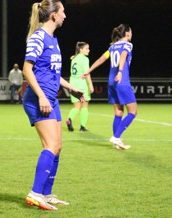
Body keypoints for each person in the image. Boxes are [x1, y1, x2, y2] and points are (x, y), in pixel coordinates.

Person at [22, 0, 84, 211]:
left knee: (57, 147)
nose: (65, 15)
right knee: (51, 146)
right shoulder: (38, 37)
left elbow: (53, 75)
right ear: (53, 15)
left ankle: (46, 194)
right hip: (39, 100)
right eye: (63, 11)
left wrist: (72, 88)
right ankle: (35, 193)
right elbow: (27, 69)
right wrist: (41, 96)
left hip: (52, 99)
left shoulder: (53, 40)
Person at [83, 24, 136, 150]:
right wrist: (121, 71)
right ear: (127, 34)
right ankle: (116, 137)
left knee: (118, 112)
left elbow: (101, 59)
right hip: (121, 81)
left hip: (111, 83)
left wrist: (89, 70)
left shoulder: (112, 47)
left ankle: (116, 143)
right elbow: (123, 55)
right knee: (133, 112)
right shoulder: (128, 44)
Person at [66, 42, 94, 132]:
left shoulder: (74, 58)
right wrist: (90, 84)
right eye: (87, 48)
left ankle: (69, 119)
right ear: (80, 50)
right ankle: (82, 127)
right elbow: (86, 73)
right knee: (84, 105)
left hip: (73, 82)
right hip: (82, 83)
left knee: (76, 106)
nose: (88, 50)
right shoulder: (85, 59)